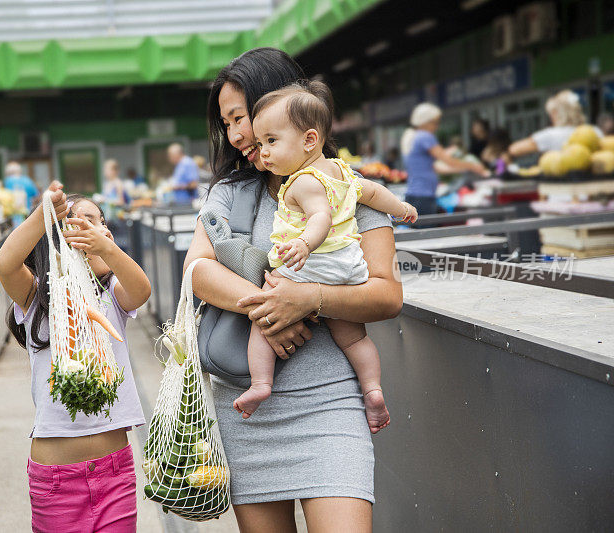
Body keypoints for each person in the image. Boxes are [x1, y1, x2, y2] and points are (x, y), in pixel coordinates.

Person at [184, 47, 404, 532]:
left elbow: (387, 294)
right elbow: (197, 271)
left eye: (240, 116)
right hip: (247, 405)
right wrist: (270, 310)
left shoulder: (347, 188)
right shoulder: (230, 191)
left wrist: (311, 300)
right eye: (228, 124)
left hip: (330, 403)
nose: (237, 134)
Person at [232, 81, 417, 426]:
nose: (264, 152)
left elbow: (320, 216)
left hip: (311, 266)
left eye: (271, 141)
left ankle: (260, 383)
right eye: (260, 143)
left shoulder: (303, 181)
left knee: (265, 318)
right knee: (354, 337)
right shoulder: (345, 174)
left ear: (309, 140)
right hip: (348, 270)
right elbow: (376, 193)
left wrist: (303, 244)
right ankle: (373, 389)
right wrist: (401, 207)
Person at [0, 182, 151, 532]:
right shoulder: (35, 298)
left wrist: (107, 249)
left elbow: (141, 290)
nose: (96, 229)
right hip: (55, 481)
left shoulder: (112, 296)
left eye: (100, 223)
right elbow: (5, 264)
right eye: (81, 221)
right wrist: (44, 212)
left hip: (115, 472)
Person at [401, 103, 488, 216]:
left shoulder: (413, 136)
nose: (437, 127)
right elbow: (448, 161)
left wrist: (464, 169)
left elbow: (434, 167)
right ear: (425, 121)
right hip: (424, 197)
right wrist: (473, 166)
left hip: (415, 196)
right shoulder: (425, 136)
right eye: (435, 122)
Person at [509, 90, 602, 157]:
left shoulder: (551, 134)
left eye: (551, 114)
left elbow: (514, 149)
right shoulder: (595, 130)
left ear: (556, 113)